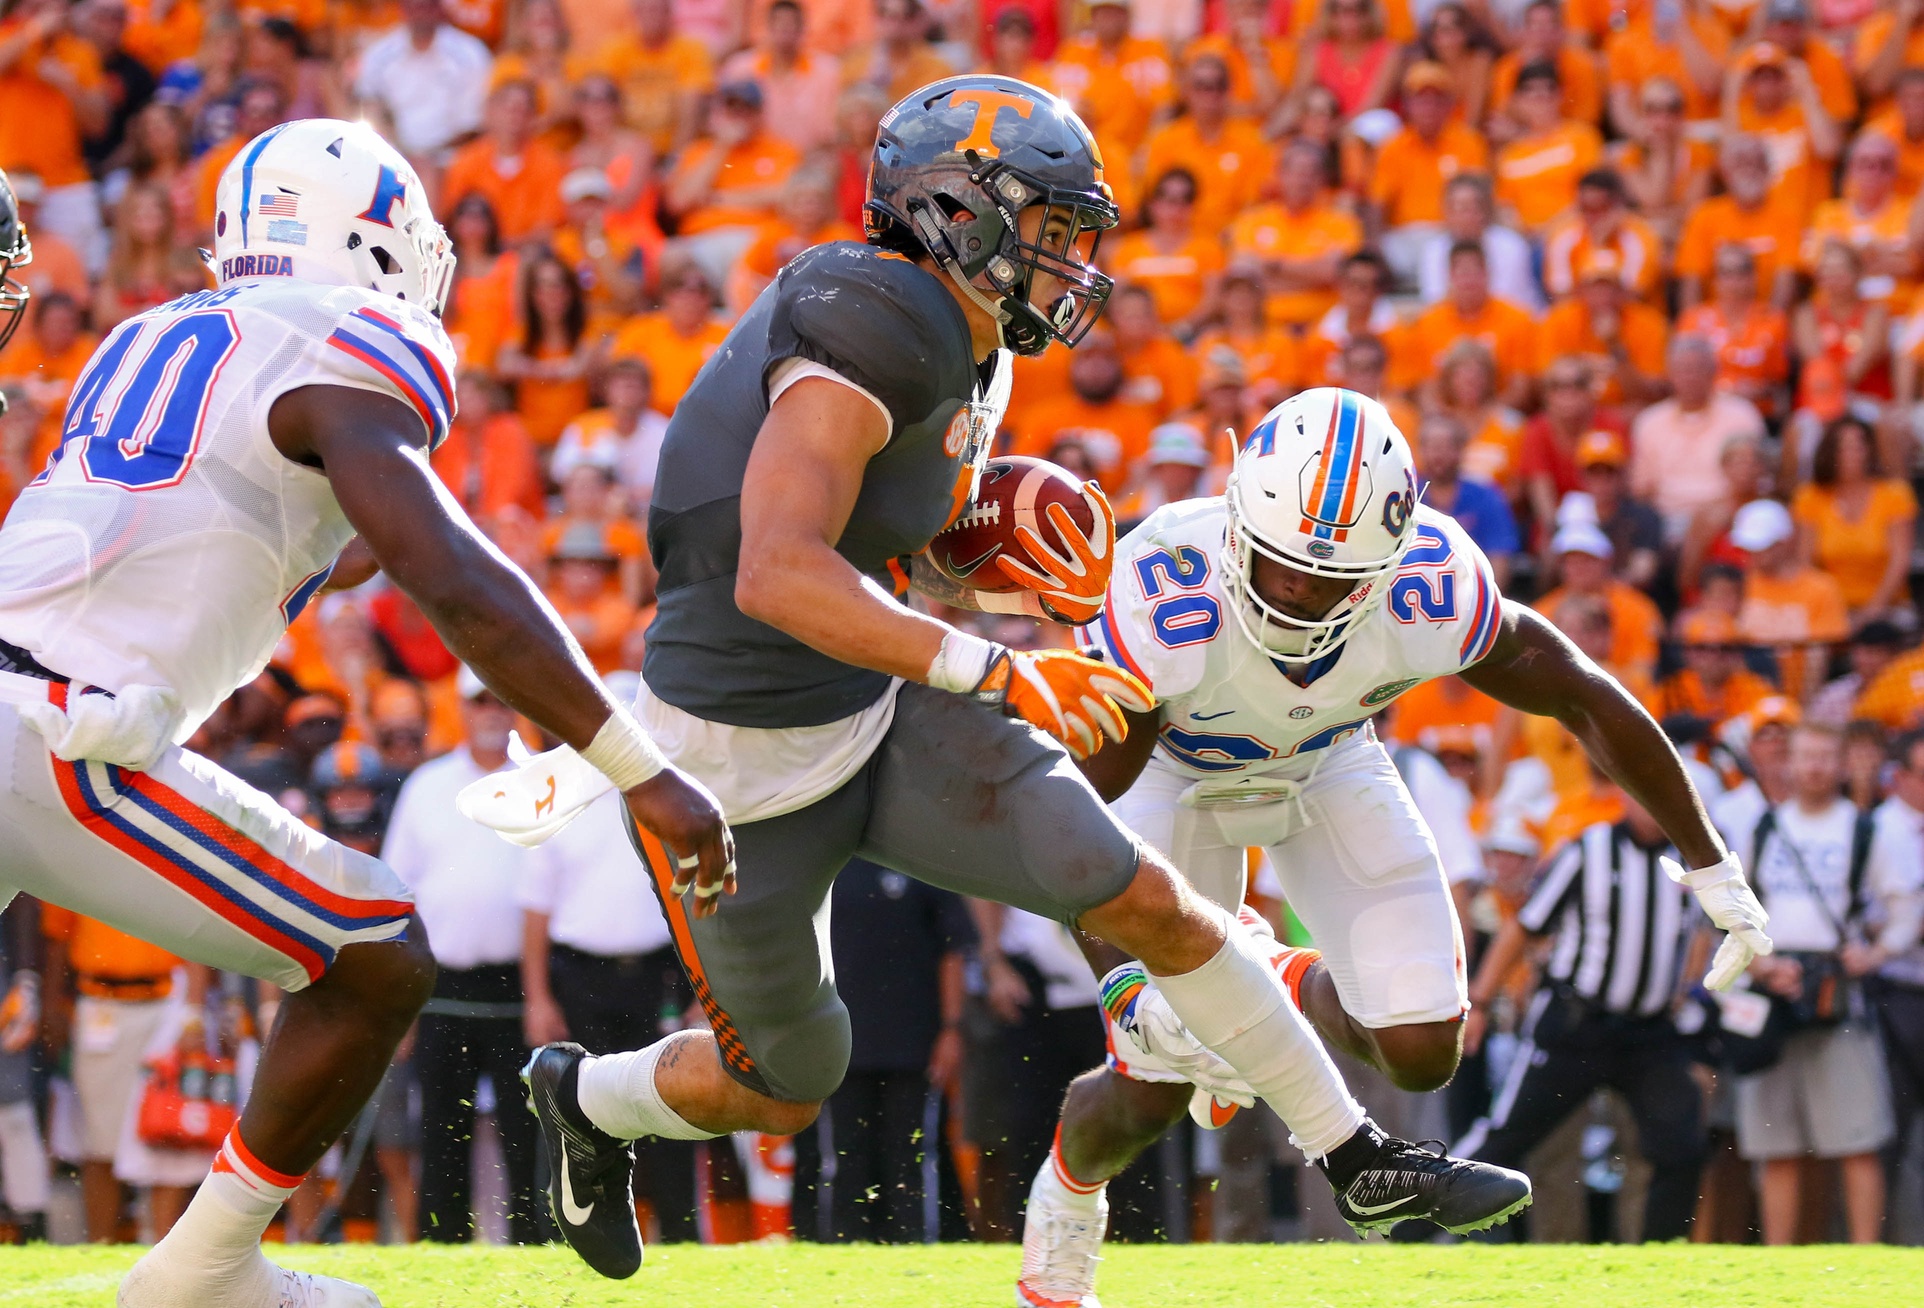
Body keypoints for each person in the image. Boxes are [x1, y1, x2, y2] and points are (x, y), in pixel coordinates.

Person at [488, 79, 1535, 1287]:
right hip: (732, 767)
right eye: (1050, 233)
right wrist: (1000, 669)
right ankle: (590, 1100)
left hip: (871, 711)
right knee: (781, 1088)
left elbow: (887, 545)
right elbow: (775, 570)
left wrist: (971, 564)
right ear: (952, 213)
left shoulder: (973, 344)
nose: (1073, 264)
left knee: (1134, 893)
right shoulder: (871, 315)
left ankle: (1357, 1160)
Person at [0, 121, 729, 1305]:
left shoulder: (150, 335)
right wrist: (638, 765)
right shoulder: (352, 335)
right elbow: (448, 574)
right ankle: (203, 1276)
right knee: (375, 955)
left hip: (35, 702)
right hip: (60, 738)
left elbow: (264, 527)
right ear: (363, 238)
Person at [1018, 387, 1769, 1303]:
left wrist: (1708, 860)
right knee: (1152, 1088)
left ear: (1386, 565)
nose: (1295, 591)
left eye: (1326, 578)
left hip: (1326, 765)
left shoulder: (1430, 585)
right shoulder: (1163, 588)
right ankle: (1066, 1195)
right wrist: (1128, 976)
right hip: (1170, 782)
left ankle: (1264, 979)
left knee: (1421, 1046)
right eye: (1280, 564)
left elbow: (1582, 691)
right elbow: (1076, 816)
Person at [1458, 789, 1709, 1242]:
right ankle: (1407, 1232)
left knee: (1682, 1145)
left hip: (1648, 1033)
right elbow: (1526, 927)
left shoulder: (1692, 858)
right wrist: (1479, 1000)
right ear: (1626, 795)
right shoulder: (1587, 850)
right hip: (1576, 1025)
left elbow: (1706, 931)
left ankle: (1661, 1260)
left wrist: (1685, 989)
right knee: (1507, 1137)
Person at [1728, 723, 1922, 1245]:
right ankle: (1777, 1259)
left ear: (1842, 764)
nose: (1814, 767)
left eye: (1825, 756)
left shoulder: (1863, 830)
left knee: (1858, 1139)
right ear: (1788, 763)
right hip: (1775, 983)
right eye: (1805, 756)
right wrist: (1760, 964)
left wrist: (1876, 954)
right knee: (1776, 1144)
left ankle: (1865, 1256)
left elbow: (1906, 906)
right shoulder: (1763, 827)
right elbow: (1734, 911)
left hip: (1838, 987)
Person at [1629, 336, 1768, 541]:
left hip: (1728, 518)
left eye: (1698, 369)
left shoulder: (1742, 415)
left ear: (1714, 372)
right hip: (1666, 520)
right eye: (1683, 369)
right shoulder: (1649, 422)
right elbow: (1641, 489)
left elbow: (1757, 478)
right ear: (1670, 374)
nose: (1690, 376)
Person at [1790, 416, 1918, 629]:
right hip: (1828, 606)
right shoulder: (1810, 497)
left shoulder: (1895, 495)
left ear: (1870, 450)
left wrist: (1870, 612)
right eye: (1843, 447)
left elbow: (1900, 560)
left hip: (1887, 608)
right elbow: (1806, 562)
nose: (1851, 454)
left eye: (1858, 446)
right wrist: (1830, 611)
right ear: (1829, 452)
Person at [1732, 498, 1851, 702]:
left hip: (1798, 694)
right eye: (1748, 549)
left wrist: (1804, 709)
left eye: (1761, 548)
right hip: (1747, 694)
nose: (1753, 556)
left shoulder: (1820, 587)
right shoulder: (1742, 582)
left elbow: (1819, 655)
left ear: (1783, 543)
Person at [352, 0, 491, 159]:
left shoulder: (471, 54)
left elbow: (472, 125)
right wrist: (398, 152)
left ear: (440, 7)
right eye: (414, 5)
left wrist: (427, 157)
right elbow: (368, 105)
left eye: (427, 5)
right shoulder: (379, 54)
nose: (420, 12)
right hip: (391, 155)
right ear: (402, 7)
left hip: (453, 158)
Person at [1415, 411, 1518, 588]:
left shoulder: (1485, 494)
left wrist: (1489, 602)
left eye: (1446, 446)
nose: (1438, 454)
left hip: (1474, 590)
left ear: (1461, 450)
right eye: (1431, 446)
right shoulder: (1407, 495)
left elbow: (1500, 555)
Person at [1416, 173, 1540, 313]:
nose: (1462, 217)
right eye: (1455, 208)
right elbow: (1435, 304)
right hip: (1456, 326)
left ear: (1485, 211)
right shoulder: (1433, 251)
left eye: (1468, 208)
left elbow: (1508, 301)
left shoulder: (1512, 246)